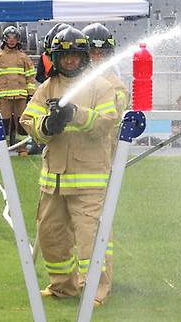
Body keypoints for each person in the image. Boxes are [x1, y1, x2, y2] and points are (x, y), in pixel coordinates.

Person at [19, 27, 119, 306]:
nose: (71, 61)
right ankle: (64, 286)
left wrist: (74, 115)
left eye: (76, 56)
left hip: (88, 180)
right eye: (66, 56)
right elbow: (29, 121)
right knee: (51, 236)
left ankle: (96, 292)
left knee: (91, 240)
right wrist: (48, 125)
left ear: (84, 57)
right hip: (54, 180)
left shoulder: (101, 86)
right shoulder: (47, 88)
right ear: (56, 58)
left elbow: (104, 124)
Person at [0, 26, 36, 155]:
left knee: (22, 123)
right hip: (4, 96)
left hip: (20, 96)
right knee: (3, 123)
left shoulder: (24, 57)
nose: (12, 41)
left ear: (18, 40)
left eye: (14, 38)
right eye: (9, 38)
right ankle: (3, 149)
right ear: (4, 39)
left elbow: (30, 75)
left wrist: (30, 93)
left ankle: (22, 148)